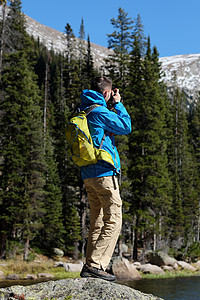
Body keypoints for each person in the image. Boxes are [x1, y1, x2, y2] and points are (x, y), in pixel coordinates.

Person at [79, 76, 131, 281]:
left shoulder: (84, 110)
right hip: (104, 175)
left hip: (88, 176)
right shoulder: (100, 112)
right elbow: (125, 127)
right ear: (107, 93)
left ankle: (91, 265)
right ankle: (95, 265)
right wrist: (119, 104)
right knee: (114, 219)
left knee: (98, 220)